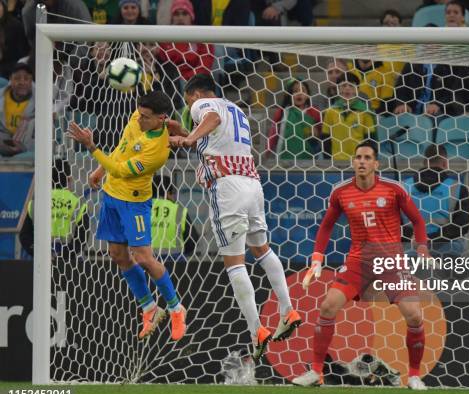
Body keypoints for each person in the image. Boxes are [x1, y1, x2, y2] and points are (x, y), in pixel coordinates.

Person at [168, 75, 302, 361]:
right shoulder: (236, 109)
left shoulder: (202, 104)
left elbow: (211, 119)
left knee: (234, 263)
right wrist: (185, 132)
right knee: (262, 249)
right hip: (253, 184)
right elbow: (215, 137)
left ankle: (256, 331)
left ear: (193, 94)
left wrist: (188, 136)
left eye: (189, 100)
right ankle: (287, 309)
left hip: (227, 186)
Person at [292, 140, 431, 389]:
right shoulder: (341, 192)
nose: (362, 162)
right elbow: (326, 226)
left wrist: (421, 247)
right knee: (327, 306)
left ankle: (413, 376)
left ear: (376, 164)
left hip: (392, 260)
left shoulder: (393, 189)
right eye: (358, 157)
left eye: (367, 158)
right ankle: (315, 372)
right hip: (358, 260)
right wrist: (316, 258)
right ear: (353, 162)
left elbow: (418, 221)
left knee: (414, 315)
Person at [67, 91, 187, 342]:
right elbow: (122, 147)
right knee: (118, 255)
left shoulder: (158, 150)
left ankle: (176, 308)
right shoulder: (138, 115)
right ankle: (150, 308)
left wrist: (91, 147)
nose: (140, 119)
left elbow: (120, 170)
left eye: (145, 117)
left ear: (161, 118)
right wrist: (100, 170)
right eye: (139, 114)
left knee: (143, 257)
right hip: (111, 197)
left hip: (134, 203)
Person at [403, 144, 469, 255]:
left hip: (411, 252)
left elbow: (394, 224)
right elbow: (461, 226)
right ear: (445, 163)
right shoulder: (457, 188)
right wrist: (433, 240)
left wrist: (420, 240)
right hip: (447, 253)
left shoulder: (403, 187)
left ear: (424, 163)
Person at [19, 158, 89, 259]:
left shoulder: (36, 204)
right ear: (69, 180)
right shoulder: (78, 204)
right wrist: (62, 255)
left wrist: (39, 252)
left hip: (42, 262)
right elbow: (82, 239)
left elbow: (24, 236)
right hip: (71, 263)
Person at [321, 72, 376, 161]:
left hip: (358, 161)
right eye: (343, 85)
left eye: (351, 85)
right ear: (338, 90)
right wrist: (328, 160)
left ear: (357, 90)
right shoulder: (330, 111)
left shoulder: (365, 112)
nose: (347, 88)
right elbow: (325, 138)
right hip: (336, 160)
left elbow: (370, 138)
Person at [267, 77, 321, 160]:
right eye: (295, 91)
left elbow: (321, 131)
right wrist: (267, 151)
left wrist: (316, 133)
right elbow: (273, 134)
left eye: (303, 91)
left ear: (308, 95)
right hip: (284, 156)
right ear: (289, 94)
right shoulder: (282, 112)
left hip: (308, 157)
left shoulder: (314, 112)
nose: (299, 93)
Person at [151, 174, 199, 259]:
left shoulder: (142, 208)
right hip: (174, 259)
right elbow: (192, 239)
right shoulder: (178, 210)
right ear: (169, 192)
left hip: (146, 258)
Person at [0, 62, 34, 158]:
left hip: (27, 144)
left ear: (31, 80)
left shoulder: (40, 101)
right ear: (10, 79)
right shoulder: (2, 97)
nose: (22, 82)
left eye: (26, 79)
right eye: (17, 78)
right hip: (4, 140)